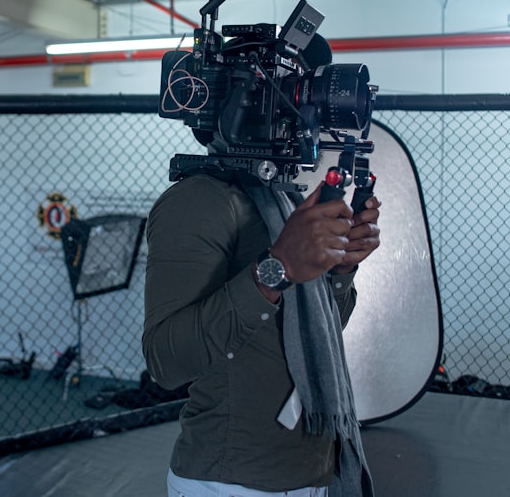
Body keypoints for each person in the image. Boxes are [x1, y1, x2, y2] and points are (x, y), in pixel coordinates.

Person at [142, 151, 381, 496]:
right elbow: (164, 360)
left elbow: (318, 333)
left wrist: (341, 270)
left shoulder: (284, 200)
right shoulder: (200, 200)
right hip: (233, 483)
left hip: (311, 475)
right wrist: (276, 268)